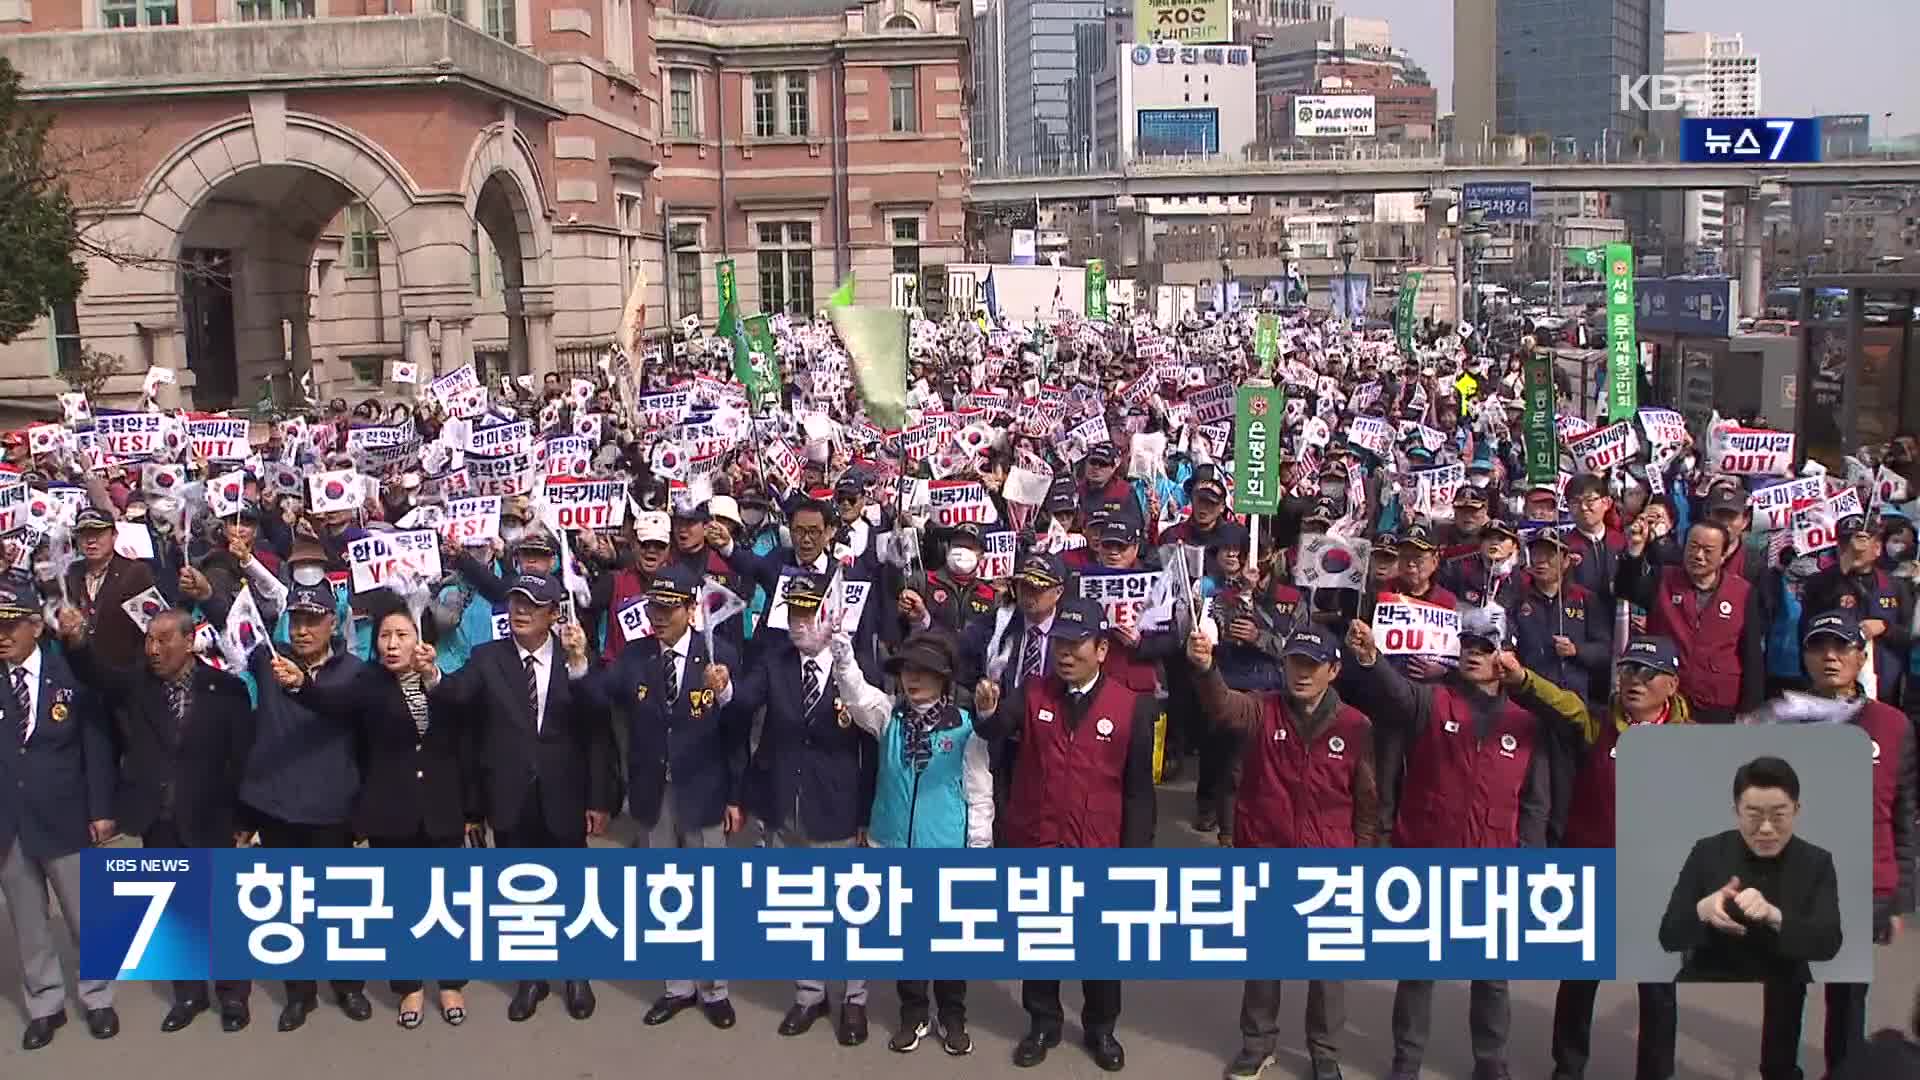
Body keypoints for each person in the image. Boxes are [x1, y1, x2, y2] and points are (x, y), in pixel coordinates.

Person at [1342, 610, 1555, 1080]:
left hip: (1496, 863)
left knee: (1491, 977)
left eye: (1485, 647)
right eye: (1468, 646)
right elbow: (1395, 691)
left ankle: (1491, 1061)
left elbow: (1536, 803)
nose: (1474, 654)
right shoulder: (1431, 702)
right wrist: (1373, 658)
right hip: (1427, 855)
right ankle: (1407, 1061)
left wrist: (1533, 862)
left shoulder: (1526, 722)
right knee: (1419, 970)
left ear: (1506, 656)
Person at [272, 595, 476, 1029]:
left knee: (447, 901)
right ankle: (409, 987)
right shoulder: (367, 684)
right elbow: (329, 702)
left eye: (402, 635)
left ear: (420, 642)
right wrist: (299, 685)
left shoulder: (443, 681)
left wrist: (432, 676)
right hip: (391, 808)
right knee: (402, 904)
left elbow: (464, 708)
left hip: (441, 808)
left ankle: (452, 982)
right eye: (385, 636)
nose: (391, 644)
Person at [975, 597, 1157, 1072]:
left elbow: (1139, 793)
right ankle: (1043, 1022)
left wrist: (1135, 861)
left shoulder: (1132, 709)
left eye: (1077, 645)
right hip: (1038, 841)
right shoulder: (1033, 693)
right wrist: (987, 711)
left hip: (1099, 848)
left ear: (1101, 649)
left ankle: (1101, 1028)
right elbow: (995, 729)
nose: (1065, 654)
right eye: (1059, 644)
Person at [56, 604, 256, 1033]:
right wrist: (76, 642)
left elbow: (239, 759)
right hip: (157, 817)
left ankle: (233, 996)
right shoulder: (136, 685)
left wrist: (242, 817)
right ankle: (188, 995)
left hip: (210, 815)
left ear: (189, 642)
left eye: (164, 640)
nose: (153, 649)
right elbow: (96, 674)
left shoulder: (227, 690)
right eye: (149, 639)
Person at [1188, 622, 1374, 1080]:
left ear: (1333, 670)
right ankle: (1257, 1043)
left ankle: (1324, 1052)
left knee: (1328, 969)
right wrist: (1208, 668)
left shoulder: (1356, 725)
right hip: (1266, 852)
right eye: (1294, 663)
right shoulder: (1262, 710)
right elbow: (1223, 705)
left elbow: (1369, 802)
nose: (1301, 674)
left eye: (1311, 666)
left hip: (1330, 861)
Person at [565, 561, 742, 1031]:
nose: (658, 617)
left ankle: (715, 990)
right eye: (653, 608)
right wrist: (581, 662)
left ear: (691, 609)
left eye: (668, 608)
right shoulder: (636, 656)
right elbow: (598, 697)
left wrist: (734, 794)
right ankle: (677, 987)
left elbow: (736, 733)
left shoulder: (718, 655)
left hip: (703, 791)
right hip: (652, 792)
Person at [432, 572, 617, 1023]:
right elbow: (456, 694)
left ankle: (576, 975)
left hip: (564, 793)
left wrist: (599, 799)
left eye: (533, 605)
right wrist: (430, 673)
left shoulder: (575, 659)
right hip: (509, 792)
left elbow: (597, 730)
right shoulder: (487, 657)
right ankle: (531, 977)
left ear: (554, 614)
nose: (520, 611)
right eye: (516, 602)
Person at [1752, 610, 1916, 1080]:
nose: (1830, 657)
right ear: (1804, 656)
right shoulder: (1777, 720)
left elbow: (1903, 816)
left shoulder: (1893, 725)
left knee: (1847, 1003)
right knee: (1783, 994)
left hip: (1861, 884)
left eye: (1842, 647)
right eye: (1819, 647)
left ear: (1861, 657)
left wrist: (1899, 898)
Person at [731, 575, 877, 1044]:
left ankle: (854, 1000)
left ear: (830, 614)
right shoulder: (773, 663)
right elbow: (744, 704)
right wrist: (726, 691)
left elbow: (872, 747)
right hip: (783, 804)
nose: (798, 622)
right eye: (792, 612)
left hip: (836, 804)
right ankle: (810, 994)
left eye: (808, 612)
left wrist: (866, 816)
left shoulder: (853, 666)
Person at [831, 627, 991, 1055]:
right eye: (907, 671)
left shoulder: (965, 727)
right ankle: (913, 1015)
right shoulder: (891, 717)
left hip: (946, 850)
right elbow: (857, 696)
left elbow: (979, 790)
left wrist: (978, 848)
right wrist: (843, 655)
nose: (913, 680)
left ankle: (952, 1017)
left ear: (945, 678)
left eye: (924, 672)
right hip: (893, 845)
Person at [1537, 636, 1690, 1080]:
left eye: (1646, 674)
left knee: (1658, 993)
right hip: (1595, 873)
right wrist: (1523, 677)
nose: (1633, 682)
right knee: (1579, 984)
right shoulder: (1597, 723)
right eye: (1627, 671)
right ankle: (1567, 1069)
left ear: (1672, 685)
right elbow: (1557, 701)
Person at [229, 578, 369, 1032]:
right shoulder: (270, 658)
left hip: (331, 807)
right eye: (297, 620)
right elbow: (230, 619)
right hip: (276, 805)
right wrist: (205, 590)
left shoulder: (354, 672)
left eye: (313, 621)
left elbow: (340, 707)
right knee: (288, 908)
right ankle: (299, 993)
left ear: (333, 623)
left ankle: (348, 986)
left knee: (336, 906)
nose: (303, 630)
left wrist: (303, 686)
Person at [0, 576, 118, 1049]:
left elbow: (96, 745)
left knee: (84, 915)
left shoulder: (68, 673)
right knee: (28, 921)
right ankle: (45, 1004)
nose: (2, 635)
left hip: (67, 815)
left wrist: (102, 809)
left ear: (35, 626)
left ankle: (98, 996)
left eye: (10, 625)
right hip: (9, 823)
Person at [1657, 755, 1844, 983]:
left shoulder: (1817, 862)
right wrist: (1703, 910)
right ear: (1736, 811)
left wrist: (1774, 916)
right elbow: (1668, 936)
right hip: (1710, 978)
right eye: (1754, 816)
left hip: (1783, 985)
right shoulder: (1707, 852)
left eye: (1778, 816)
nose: (1766, 828)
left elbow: (1829, 943)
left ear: (1796, 810)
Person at [1616, 518, 1766, 724]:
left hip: (1718, 703)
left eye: (1708, 550)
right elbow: (1625, 589)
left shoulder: (1743, 592)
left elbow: (1751, 653)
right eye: (1693, 547)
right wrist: (1635, 549)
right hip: (1669, 698)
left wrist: (1750, 707)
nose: (1698, 556)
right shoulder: (1663, 579)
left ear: (1723, 555)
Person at [63, 506, 158, 671]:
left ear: (114, 535)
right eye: (84, 534)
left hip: (124, 673)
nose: (91, 540)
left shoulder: (135, 572)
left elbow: (151, 624)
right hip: (81, 673)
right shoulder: (72, 573)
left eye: (98, 533)